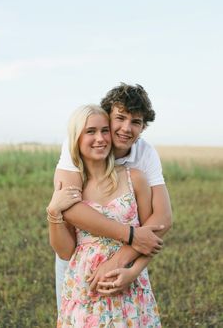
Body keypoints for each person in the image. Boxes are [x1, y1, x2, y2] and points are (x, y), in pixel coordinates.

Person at [54, 83, 172, 310]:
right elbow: (69, 207)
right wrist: (130, 234)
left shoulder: (144, 155)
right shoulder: (77, 144)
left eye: (136, 122)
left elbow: (163, 218)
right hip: (78, 255)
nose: (126, 128)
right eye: (120, 118)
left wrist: (123, 262)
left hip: (125, 259)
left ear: (143, 128)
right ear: (106, 116)